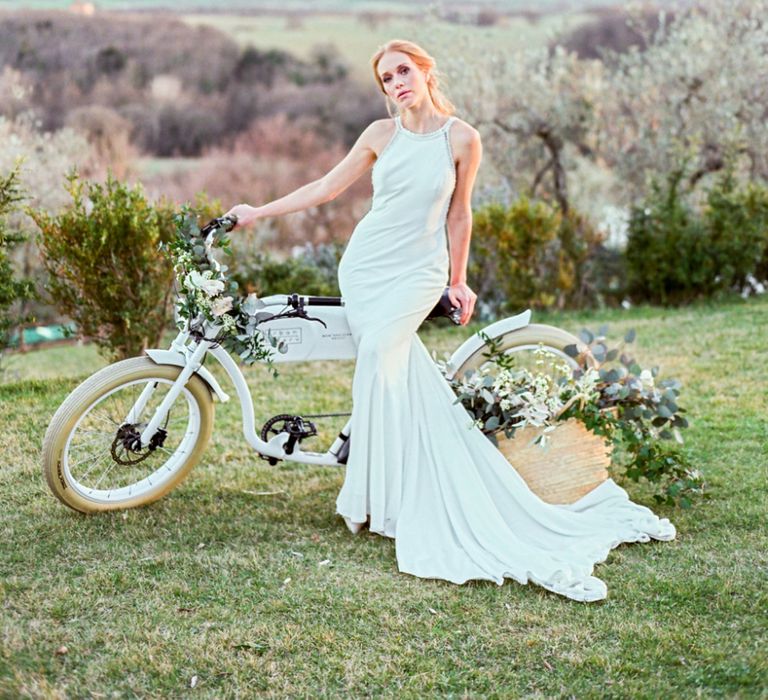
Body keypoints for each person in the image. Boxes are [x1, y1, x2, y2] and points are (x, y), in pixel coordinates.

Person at [225, 39, 676, 602]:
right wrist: (255, 211)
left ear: (425, 71)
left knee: (380, 355)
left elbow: (459, 212)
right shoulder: (379, 134)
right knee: (389, 368)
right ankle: (380, 495)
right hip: (365, 269)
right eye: (387, 78)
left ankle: (373, 494)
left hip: (419, 271)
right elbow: (324, 188)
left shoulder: (462, 138)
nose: (396, 84)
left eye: (403, 71)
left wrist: (457, 280)